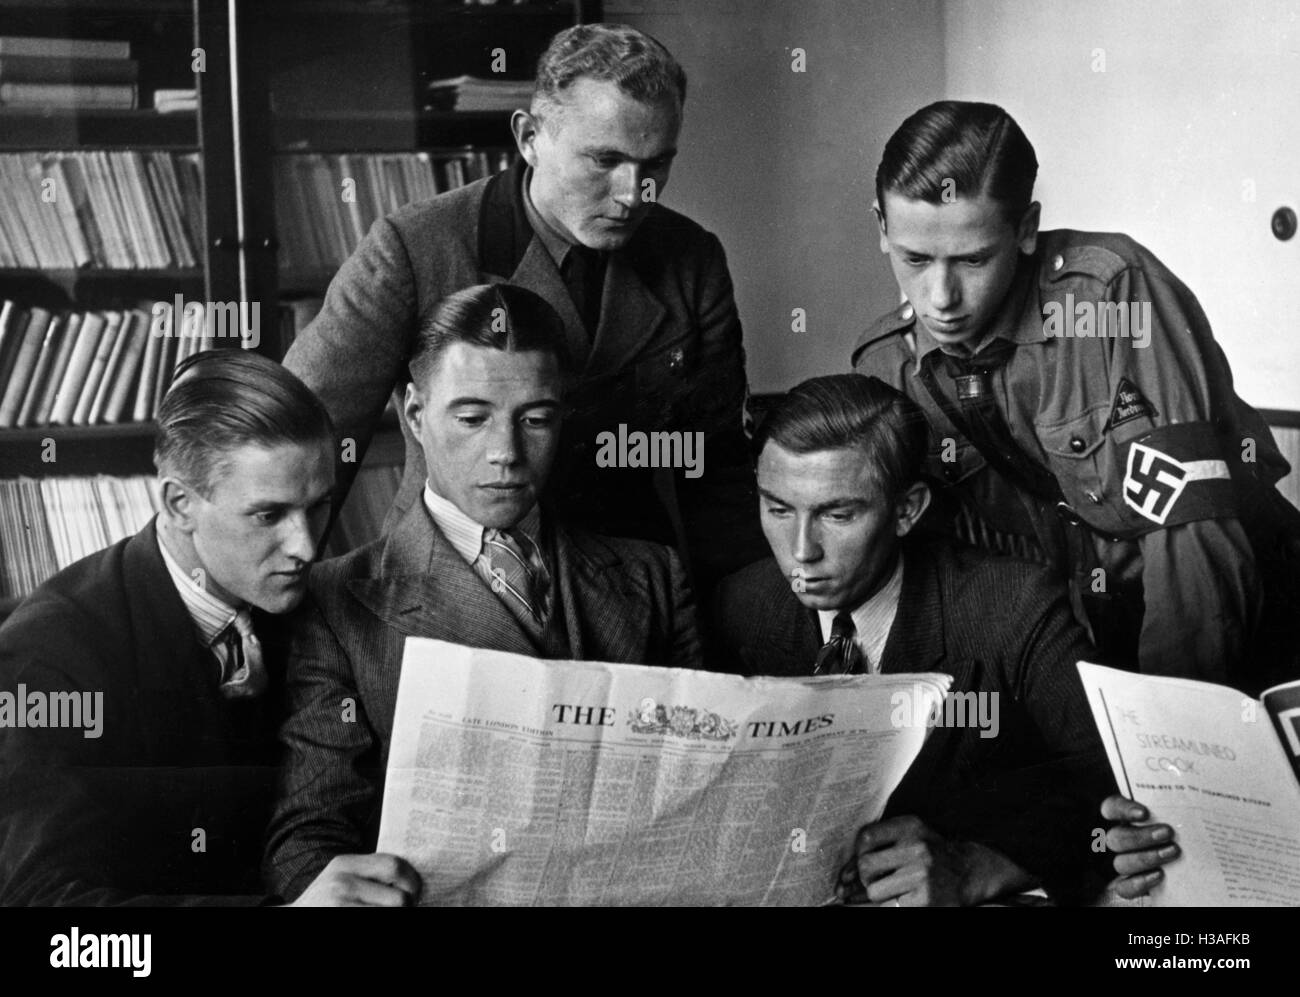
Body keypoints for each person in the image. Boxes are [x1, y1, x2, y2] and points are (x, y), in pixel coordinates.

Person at [283, 22, 766, 592]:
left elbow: (716, 473)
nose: (634, 194)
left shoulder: (692, 259)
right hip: (448, 586)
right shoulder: (415, 248)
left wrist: (739, 629)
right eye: (603, 160)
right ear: (529, 136)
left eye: (655, 164)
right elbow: (300, 441)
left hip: (628, 595)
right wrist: (286, 616)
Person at [266, 284, 701, 901]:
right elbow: (310, 834)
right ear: (415, 415)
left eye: (537, 419)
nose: (506, 454)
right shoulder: (338, 602)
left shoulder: (653, 575)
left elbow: (700, 786)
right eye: (472, 419)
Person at [851, 100, 1300, 692]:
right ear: (882, 228)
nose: (941, 297)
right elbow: (944, 573)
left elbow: (1191, 537)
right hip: (1093, 632)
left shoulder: (1111, 297)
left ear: (1027, 228)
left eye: (973, 259)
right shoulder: (888, 366)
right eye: (915, 259)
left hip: (1245, 613)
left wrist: (1175, 723)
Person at [0, 349, 413, 906]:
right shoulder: (49, 653)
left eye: (318, 506)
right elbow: (54, 923)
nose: (307, 546)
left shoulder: (325, 609)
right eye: (269, 515)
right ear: (179, 503)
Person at [712, 374, 1115, 905]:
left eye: (837, 514)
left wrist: (982, 864)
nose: (801, 551)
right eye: (779, 509)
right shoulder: (736, 607)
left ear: (907, 510)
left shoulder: (1014, 606)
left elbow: (1110, 783)